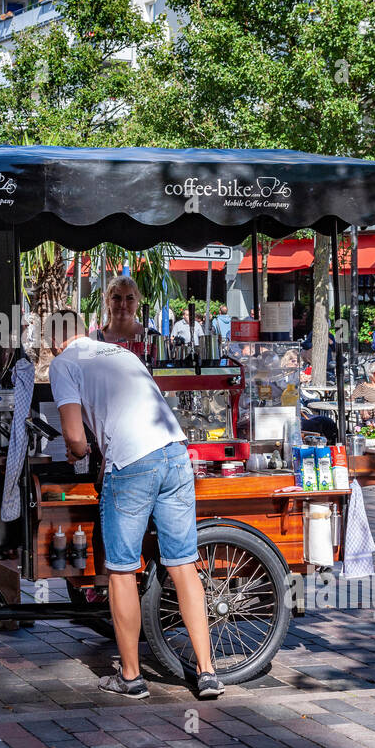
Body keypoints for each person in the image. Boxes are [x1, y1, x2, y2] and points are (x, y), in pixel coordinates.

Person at [46, 309, 221, 700]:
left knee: (123, 570)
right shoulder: (121, 353)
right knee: (183, 564)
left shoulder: (63, 364)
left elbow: (74, 437)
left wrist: (79, 452)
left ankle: (130, 676)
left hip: (131, 465)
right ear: (87, 330)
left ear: (55, 340)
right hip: (176, 454)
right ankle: (208, 673)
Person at [90, 274, 147, 356]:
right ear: (107, 301)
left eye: (129, 298)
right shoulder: (94, 339)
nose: (123, 304)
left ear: (137, 302)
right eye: (117, 298)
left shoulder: (153, 338)